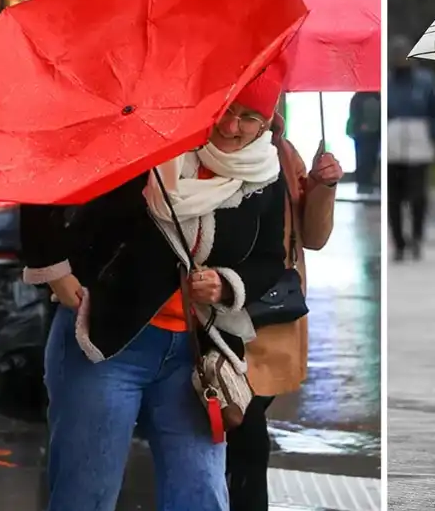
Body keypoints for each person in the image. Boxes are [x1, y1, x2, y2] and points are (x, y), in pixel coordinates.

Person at [20, 62, 291, 511]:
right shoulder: (146, 139)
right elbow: (46, 176)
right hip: (106, 340)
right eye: (225, 108)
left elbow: (268, 261)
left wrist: (226, 286)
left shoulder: (264, 175)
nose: (231, 125)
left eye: (249, 117)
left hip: (195, 355)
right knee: (86, 495)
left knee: (201, 496)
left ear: (268, 123)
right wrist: (53, 267)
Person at [227, 78, 343, 511]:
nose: (240, 123)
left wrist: (322, 187)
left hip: (271, 310)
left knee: (248, 419)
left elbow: (312, 237)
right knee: (229, 421)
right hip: (214, 307)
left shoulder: (282, 150)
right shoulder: (206, 147)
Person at [387, 35, 435, 262]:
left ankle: (417, 237)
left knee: (418, 195)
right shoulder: (388, 81)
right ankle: (399, 241)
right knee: (394, 198)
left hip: (419, 141)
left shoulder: (425, 81)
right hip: (393, 142)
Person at [347, 90, 381, 194]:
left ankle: (365, 184)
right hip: (365, 134)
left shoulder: (363, 97)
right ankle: (364, 185)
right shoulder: (361, 97)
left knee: (368, 160)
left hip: (371, 134)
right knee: (365, 160)